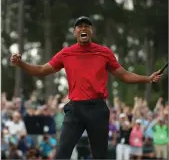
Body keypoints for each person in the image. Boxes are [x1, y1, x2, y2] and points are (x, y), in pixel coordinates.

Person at [10, 16, 162, 159]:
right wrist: (20, 64)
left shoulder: (104, 53)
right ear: (75, 31)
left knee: (100, 155)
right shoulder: (66, 53)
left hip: (98, 109)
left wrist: (148, 78)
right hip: (75, 110)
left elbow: (124, 75)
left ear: (91, 31)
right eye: (80, 26)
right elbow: (42, 70)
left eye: (87, 26)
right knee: (62, 152)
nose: (84, 29)